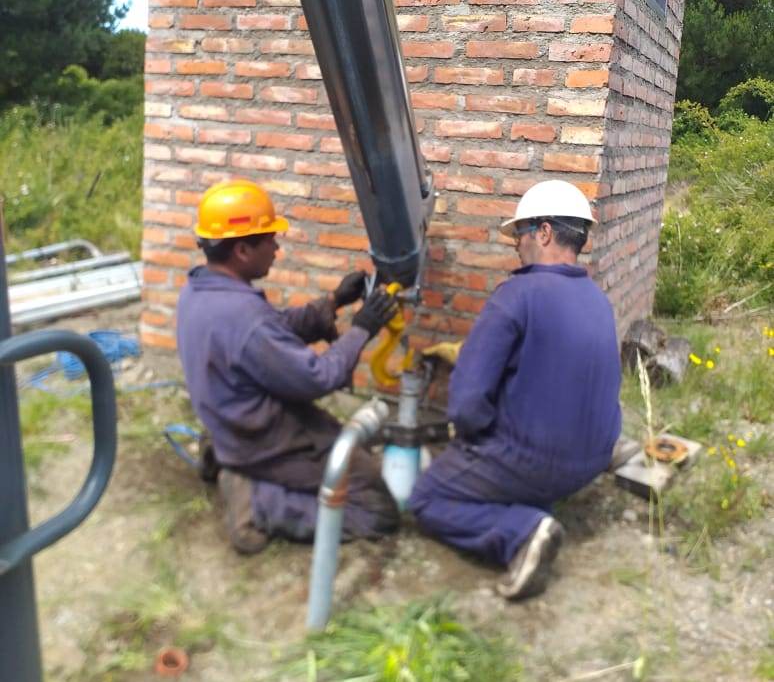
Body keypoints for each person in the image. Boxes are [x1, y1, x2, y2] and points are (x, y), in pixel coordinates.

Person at [408, 179, 622, 601]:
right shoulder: (598, 299)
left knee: (427, 497)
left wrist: (469, 444)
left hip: (535, 464)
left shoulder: (517, 294)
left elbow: (467, 405)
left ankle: (521, 533)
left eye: (519, 235)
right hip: (595, 459)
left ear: (543, 233)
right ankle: (533, 505)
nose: (516, 247)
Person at [176, 178, 400, 553]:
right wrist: (363, 328)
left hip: (236, 422)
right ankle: (258, 503)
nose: (277, 249)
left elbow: (272, 331)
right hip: (263, 441)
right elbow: (320, 376)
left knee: (354, 458)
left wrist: (333, 302)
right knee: (376, 510)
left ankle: (227, 459)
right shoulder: (243, 316)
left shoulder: (201, 290)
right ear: (244, 250)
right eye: (270, 240)